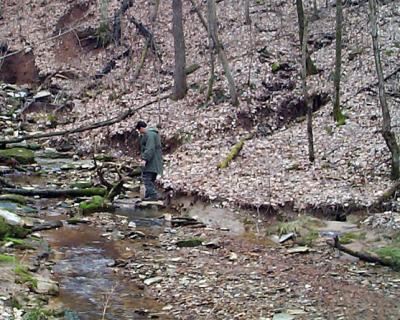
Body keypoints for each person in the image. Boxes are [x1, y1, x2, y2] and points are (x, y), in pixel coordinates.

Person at [135, 121, 163, 201]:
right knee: (151, 178)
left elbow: (150, 148)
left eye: (139, 130)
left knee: (146, 178)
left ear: (141, 128)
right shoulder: (153, 133)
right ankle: (148, 194)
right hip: (156, 160)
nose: (139, 133)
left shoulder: (149, 134)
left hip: (152, 161)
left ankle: (153, 195)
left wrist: (144, 159)